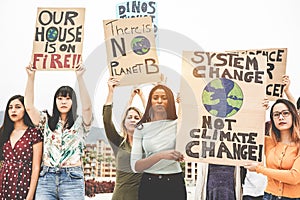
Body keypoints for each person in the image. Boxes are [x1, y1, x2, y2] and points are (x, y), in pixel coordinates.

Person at [24, 63, 93, 200]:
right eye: (60, 98)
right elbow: (29, 107)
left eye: (68, 99)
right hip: (47, 178)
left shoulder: (80, 123)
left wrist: (80, 78)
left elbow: (87, 108)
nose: (64, 102)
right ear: (55, 101)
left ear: (73, 102)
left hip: (72, 178)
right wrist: (31, 77)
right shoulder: (46, 121)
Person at [130, 84, 187, 200]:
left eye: (164, 98)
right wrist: (160, 156)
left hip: (174, 183)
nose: (159, 101)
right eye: (155, 98)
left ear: (170, 101)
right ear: (150, 101)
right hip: (149, 185)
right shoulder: (141, 128)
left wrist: (185, 103)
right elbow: (135, 166)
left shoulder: (178, 124)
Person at [244, 98, 300, 199]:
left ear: (293, 115)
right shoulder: (268, 142)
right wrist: (259, 110)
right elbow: (248, 130)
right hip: (269, 196)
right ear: (272, 120)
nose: (281, 117)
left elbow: (294, 177)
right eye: (276, 114)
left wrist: (258, 169)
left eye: (285, 113)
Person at [102, 76, 146, 200]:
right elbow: (106, 120)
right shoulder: (118, 143)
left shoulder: (147, 144)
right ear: (124, 122)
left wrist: (142, 97)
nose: (133, 120)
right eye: (130, 117)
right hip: (120, 196)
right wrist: (111, 91)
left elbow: (153, 121)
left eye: (136, 118)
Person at [0, 95, 43, 200]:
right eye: (10, 107)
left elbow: (36, 167)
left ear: (25, 109)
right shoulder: (3, 133)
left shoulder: (34, 133)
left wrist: (30, 195)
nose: (13, 110)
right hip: (4, 181)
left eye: (18, 107)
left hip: (25, 181)